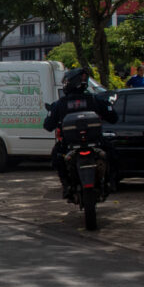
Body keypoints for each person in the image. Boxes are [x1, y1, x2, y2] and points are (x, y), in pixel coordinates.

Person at [43, 67, 118, 198]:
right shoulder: (95, 100)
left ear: (70, 83)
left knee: (56, 158)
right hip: (97, 142)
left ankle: (66, 185)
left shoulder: (60, 104)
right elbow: (113, 118)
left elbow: (48, 126)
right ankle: (110, 182)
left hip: (69, 145)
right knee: (112, 153)